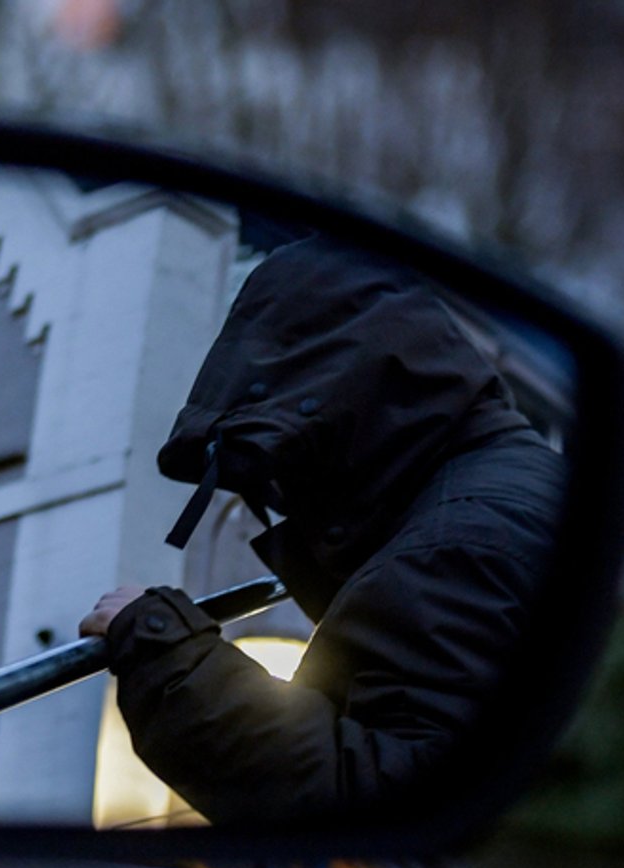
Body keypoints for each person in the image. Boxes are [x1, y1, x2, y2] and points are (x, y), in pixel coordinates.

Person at [78, 236, 566, 827]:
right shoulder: (504, 481)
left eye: (286, 461)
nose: (283, 495)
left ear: (332, 415)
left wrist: (158, 643)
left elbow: (372, 801)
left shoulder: (451, 548)